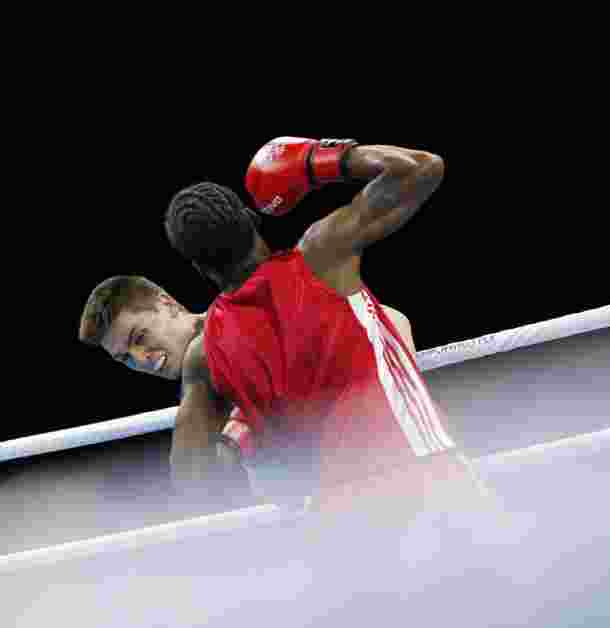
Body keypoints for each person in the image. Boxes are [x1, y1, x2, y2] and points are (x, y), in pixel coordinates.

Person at [163, 137, 484, 526]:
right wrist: (320, 161)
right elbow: (422, 167)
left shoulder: (204, 356)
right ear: (251, 218)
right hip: (419, 469)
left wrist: (247, 441)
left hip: (336, 516)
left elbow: (191, 479)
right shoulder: (321, 255)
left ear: (198, 268)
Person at [78, 274, 418, 504]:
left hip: (385, 478)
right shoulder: (197, 391)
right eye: (125, 358)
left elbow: (388, 320)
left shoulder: (243, 316)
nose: (141, 359)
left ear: (166, 304)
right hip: (320, 513)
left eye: (140, 338)